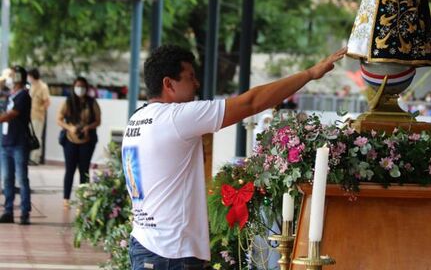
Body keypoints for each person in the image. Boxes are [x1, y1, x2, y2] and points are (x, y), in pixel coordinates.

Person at [123, 45, 346, 269]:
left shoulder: (137, 119)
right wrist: (309, 74)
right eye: (190, 77)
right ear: (168, 84)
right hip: (170, 252)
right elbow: (251, 102)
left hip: (145, 244)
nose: (197, 84)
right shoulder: (175, 118)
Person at [56, 76, 101, 208]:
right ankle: (66, 199)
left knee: (84, 170)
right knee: (69, 169)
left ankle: (84, 199)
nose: (80, 89)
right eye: (78, 86)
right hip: (70, 140)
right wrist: (70, 127)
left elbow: (98, 121)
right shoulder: (68, 102)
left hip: (87, 141)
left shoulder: (92, 103)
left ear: (86, 88)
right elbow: (59, 119)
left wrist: (88, 127)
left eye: (82, 86)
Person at [0, 65, 32, 225]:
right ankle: (8, 211)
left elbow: (12, 114)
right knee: (7, 179)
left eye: (13, 75)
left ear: (20, 77)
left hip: (19, 143)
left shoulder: (24, 96)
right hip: (6, 142)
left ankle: (25, 212)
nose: (10, 78)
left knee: (22, 178)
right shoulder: (10, 96)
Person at [27, 68, 50, 165]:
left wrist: (40, 110)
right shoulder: (31, 86)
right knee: (28, 136)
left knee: (36, 136)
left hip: (38, 116)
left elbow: (47, 102)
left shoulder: (43, 87)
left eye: (29, 76)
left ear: (32, 76)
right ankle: (29, 157)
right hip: (29, 115)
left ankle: (35, 158)